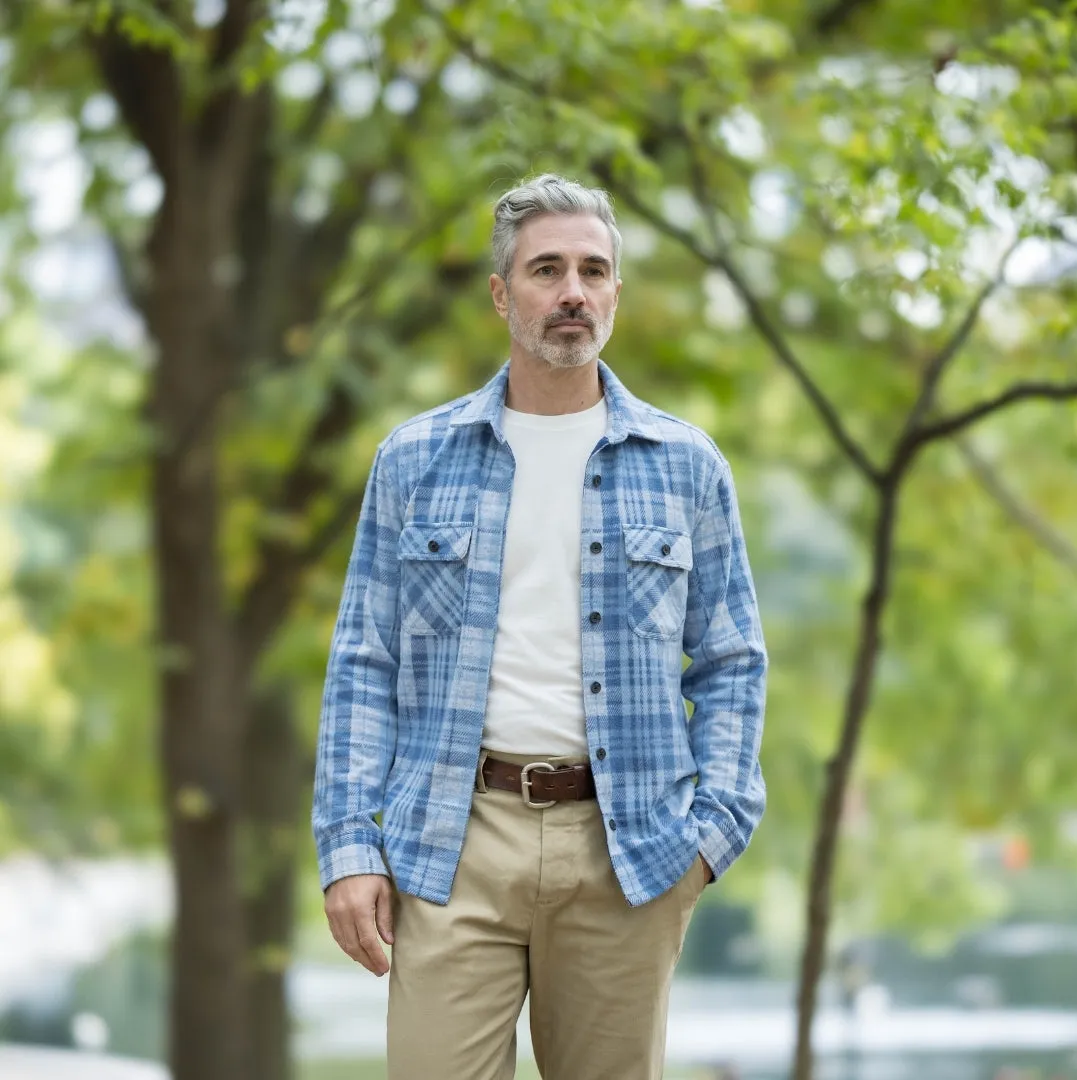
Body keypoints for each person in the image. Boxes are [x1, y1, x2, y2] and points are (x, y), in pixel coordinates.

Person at [312, 174, 768, 1080]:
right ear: (500, 293)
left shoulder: (687, 465)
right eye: (547, 269)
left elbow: (731, 663)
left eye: (593, 271)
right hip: (451, 841)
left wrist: (708, 838)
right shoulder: (415, 459)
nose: (572, 292)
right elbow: (363, 660)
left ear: (615, 294)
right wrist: (348, 845)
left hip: (631, 847)